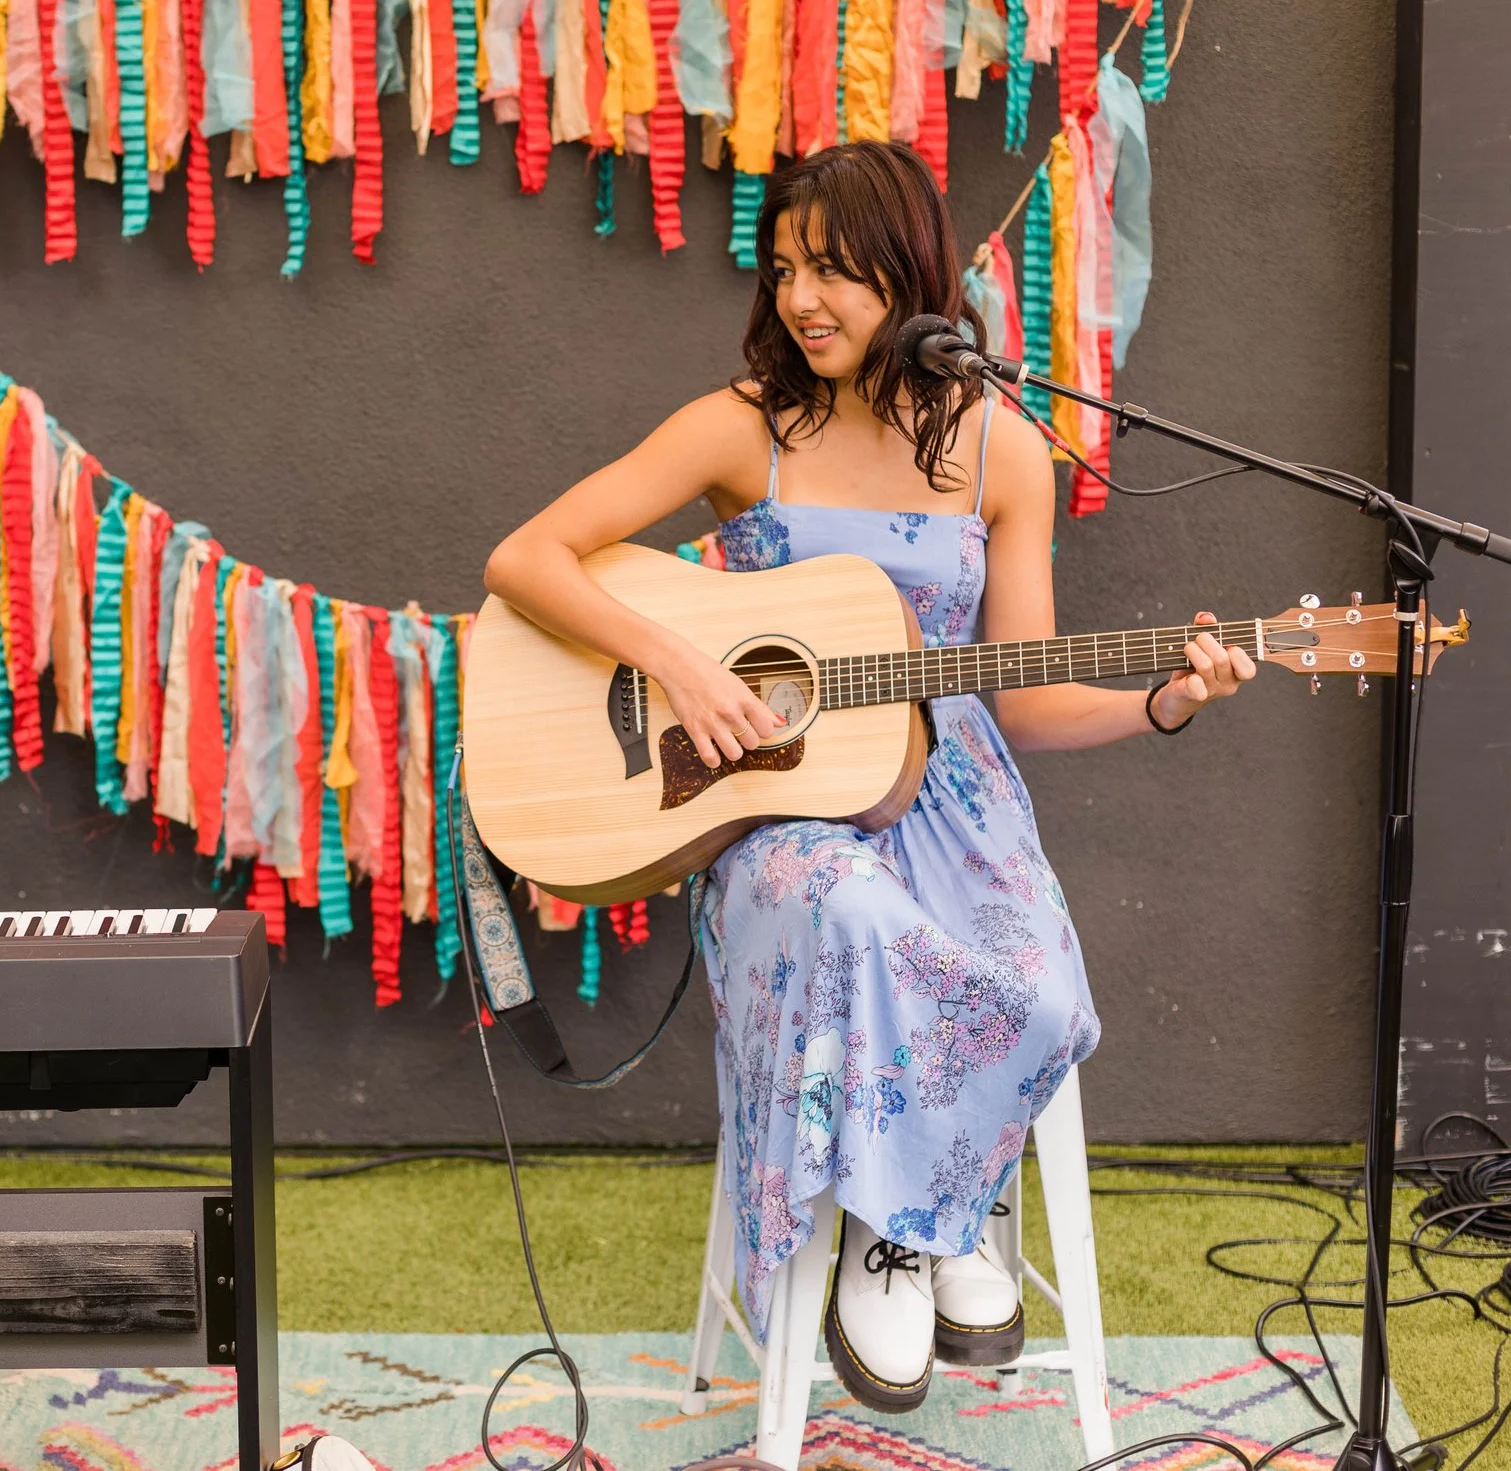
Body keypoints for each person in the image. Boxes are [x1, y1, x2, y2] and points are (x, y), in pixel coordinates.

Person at [483, 141, 1254, 1412]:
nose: (802, 299)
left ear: (910, 275)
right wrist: (679, 662)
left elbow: (1021, 693)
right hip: (779, 810)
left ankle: (913, 1219)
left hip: (956, 803)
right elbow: (530, 558)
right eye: (785, 267)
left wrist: (1160, 702)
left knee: (1049, 998)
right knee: (850, 911)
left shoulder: (1004, 454)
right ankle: (908, 1234)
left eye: (835, 269)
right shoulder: (738, 428)